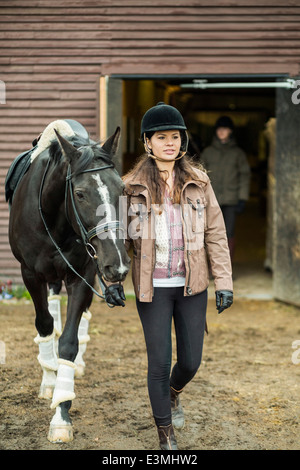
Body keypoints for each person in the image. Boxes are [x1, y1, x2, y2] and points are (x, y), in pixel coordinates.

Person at [105, 103, 233, 450]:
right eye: (161, 137)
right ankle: (166, 437)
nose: (169, 143)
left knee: (191, 361)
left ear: (183, 140)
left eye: (175, 137)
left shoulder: (198, 182)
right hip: (153, 289)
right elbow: (115, 240)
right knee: (159, 363)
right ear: (147, 142)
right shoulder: (129, 188)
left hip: (192, 287)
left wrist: (224, 282)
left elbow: (216, 235)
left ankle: (174, 393)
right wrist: (111, 281)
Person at [201, 116, 251, 261]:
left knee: (228, 233)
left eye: (225, 129)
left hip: (231, 200)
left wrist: (242, 198)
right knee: (210, 233)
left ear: (230, 131)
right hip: (211, 200)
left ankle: (226, 269)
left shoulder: (238, 153)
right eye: (219, 129)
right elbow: (200, 176)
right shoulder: (208, 152)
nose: (222, 132)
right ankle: (210, 268)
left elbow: (244, 175)